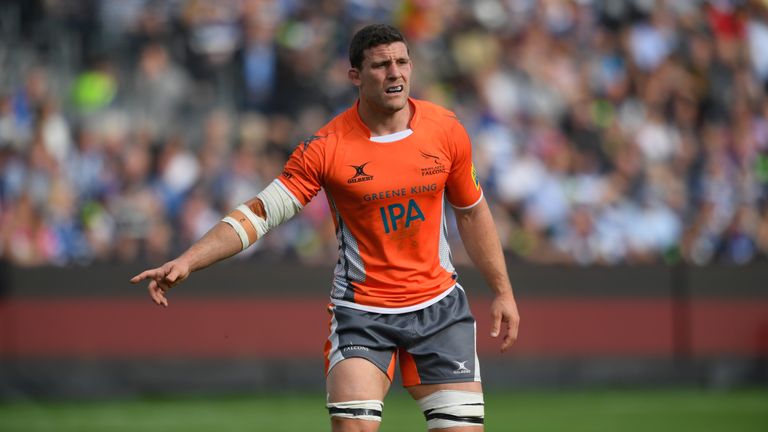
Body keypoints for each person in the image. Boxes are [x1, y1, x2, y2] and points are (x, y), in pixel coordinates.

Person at [131, 23, 520, 432]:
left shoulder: (446, 130)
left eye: (402, 62)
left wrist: (503, 291)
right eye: (381, 65)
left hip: (440, 307)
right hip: (363, 313)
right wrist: (189, 260)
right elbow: (262, 213)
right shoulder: (326, 146)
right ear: (355, 75)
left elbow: (473, 212)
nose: (395, 74)